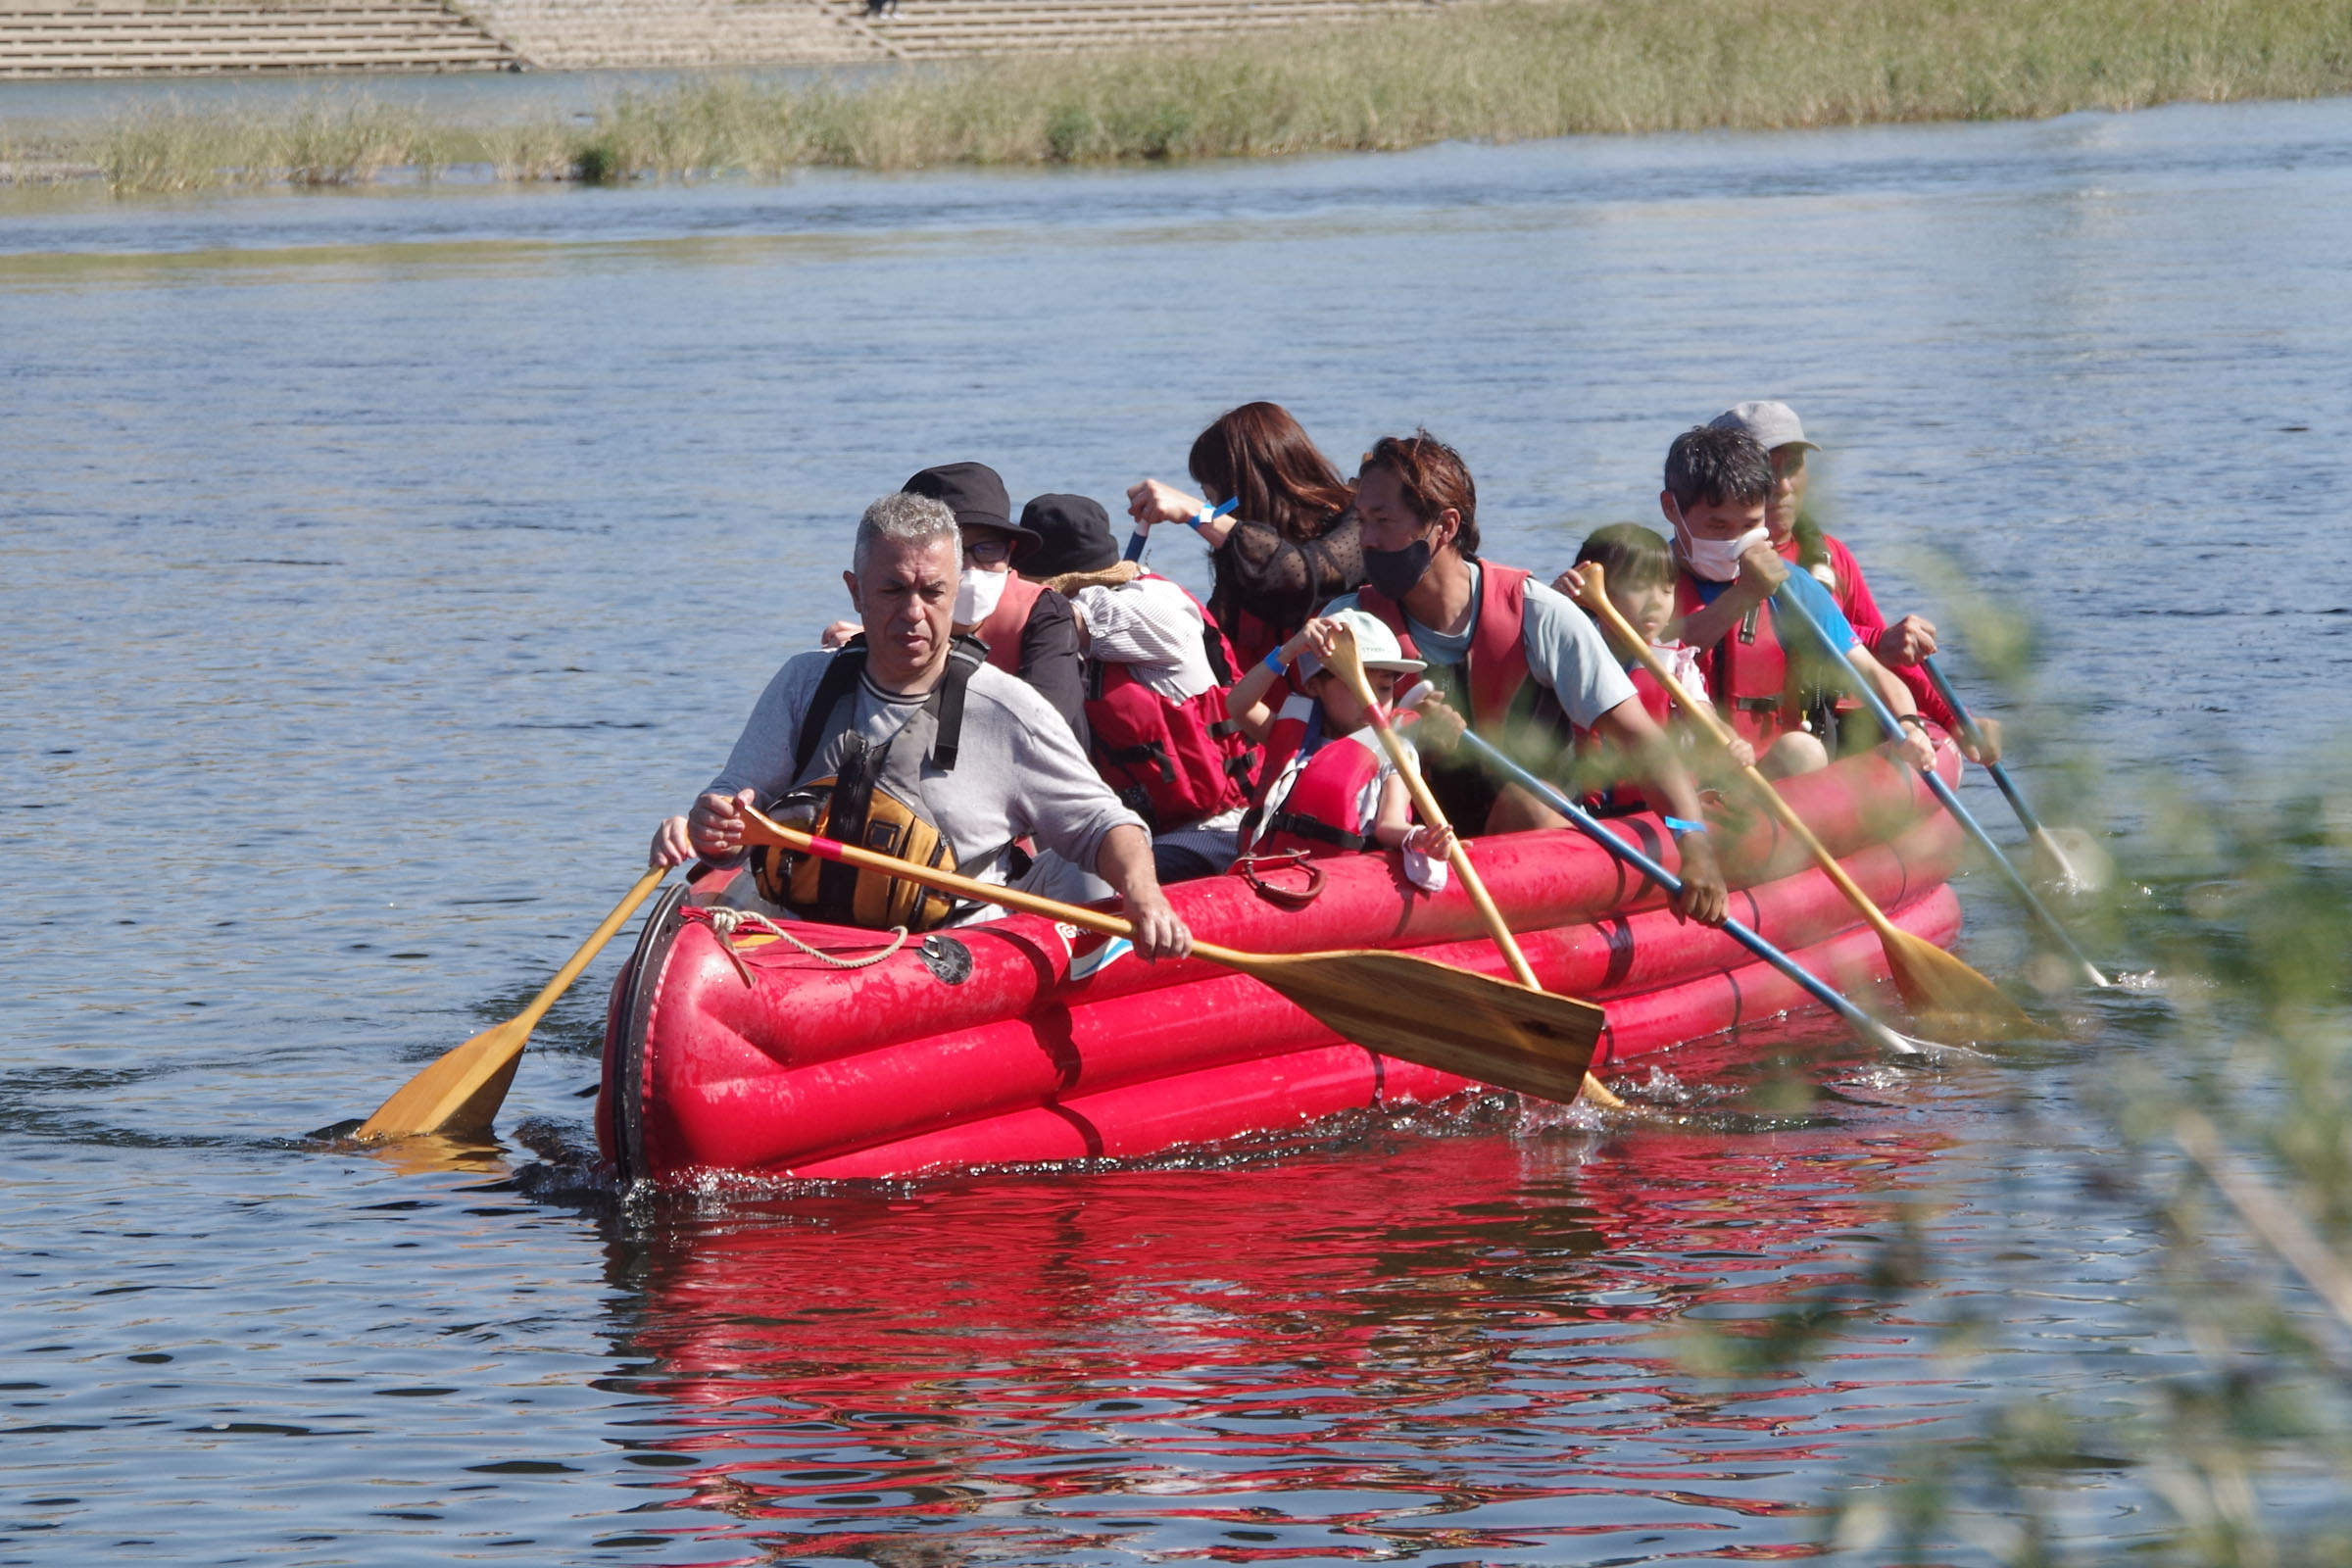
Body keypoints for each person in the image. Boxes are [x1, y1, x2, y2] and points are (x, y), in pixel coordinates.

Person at [650, 491, 1191, 959]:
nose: (913, 612)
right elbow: (733, 807)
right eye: (892, 591)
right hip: (798, 943)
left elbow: (1102, 824)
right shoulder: (803, 683)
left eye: (931, 592)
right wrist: (715, 826)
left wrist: (1145, 895)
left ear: (954, 592)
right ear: (855, 591)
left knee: (1090, 876)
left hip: (941, 952)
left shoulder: (1009, 708)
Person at [1325, 430, 1728, 927]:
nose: (1365, 539)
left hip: (1528, 837)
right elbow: (1297, 744)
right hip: (1403, 842)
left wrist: (1695, 844)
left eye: (1382, 521)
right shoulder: (1350, 624)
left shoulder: (1540, 614)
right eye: (1362, 521)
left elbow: (1642, 741)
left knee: (1532, 801)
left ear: (1444, 526)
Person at [1636, 424, 1936, 779]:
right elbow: (1652, 658)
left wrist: (1909, 724)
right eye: (1718, 527)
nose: (1736, 541)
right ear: (1671, 508)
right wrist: (1746, 593)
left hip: (1765, 776)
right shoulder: (1640, 582)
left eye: (1749, 524)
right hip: (1671, 776)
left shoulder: (1793, 586)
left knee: (1803, 750)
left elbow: (1873, 674)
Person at [1705, 401, 1994, 760]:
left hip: (1814, 739)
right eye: (1764, 469)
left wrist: (1954, 721)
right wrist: (1879, 642)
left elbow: (1882, 656)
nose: (1781, 485)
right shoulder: (1706, 567)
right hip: (1738, 753)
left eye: (1793, 467)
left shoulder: (1829, 557)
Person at [1017, 492, 1255, 885]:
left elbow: (1053, 615)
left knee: (1083, 880)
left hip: (1210, 834)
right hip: (1124, 831)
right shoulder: (1072, 623)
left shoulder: (1153, 610)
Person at [822, 462, 1087, 742]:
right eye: (955, 550)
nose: (969, 567)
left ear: (1009, 553)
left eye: (987, 549)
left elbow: (1046, 723)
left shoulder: (1044, 612)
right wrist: (873, 646)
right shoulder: (886, 629)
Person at [1224, 610, 1456, 891]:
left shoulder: (1396, 749)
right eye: (1354, 686)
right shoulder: (1289, 735)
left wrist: (1418, 837)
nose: (1370, 700)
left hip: (1343, 882)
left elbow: (1389, 824)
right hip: (1272, 874)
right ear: (1314, 686)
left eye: (1383, 688)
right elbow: (1238, 704)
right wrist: (1286, 652)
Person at [1124, 401, 1364, 672]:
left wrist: (1195, 512)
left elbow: (1299, 575)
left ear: (1243, 488)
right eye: (1206, 500)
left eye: (1212, 497)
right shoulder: (1244, 563)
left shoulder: (1361, 518)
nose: (1213, 510)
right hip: (1262, 711)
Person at [1567, 523, 1759, 797]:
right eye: (1638, 586)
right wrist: (1560, 602)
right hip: (1587, 810)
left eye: (1667, 590)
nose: (1657, 601)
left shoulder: (1676, 663)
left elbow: (1707, 721)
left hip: (1660, 806)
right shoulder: (1567, 651)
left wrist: (1732, 744)